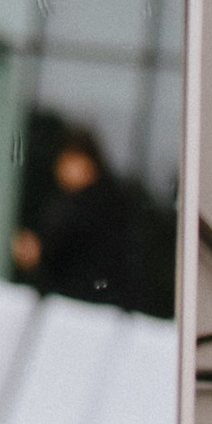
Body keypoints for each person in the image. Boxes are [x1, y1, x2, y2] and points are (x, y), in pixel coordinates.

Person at [13, 127, 136, 301]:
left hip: (83, 302)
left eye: (71, 159)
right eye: (62, 160)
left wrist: (39, 253)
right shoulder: (70, 203)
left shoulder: (94, 206)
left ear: (89, 164)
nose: (63, 167)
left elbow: (69, 251)